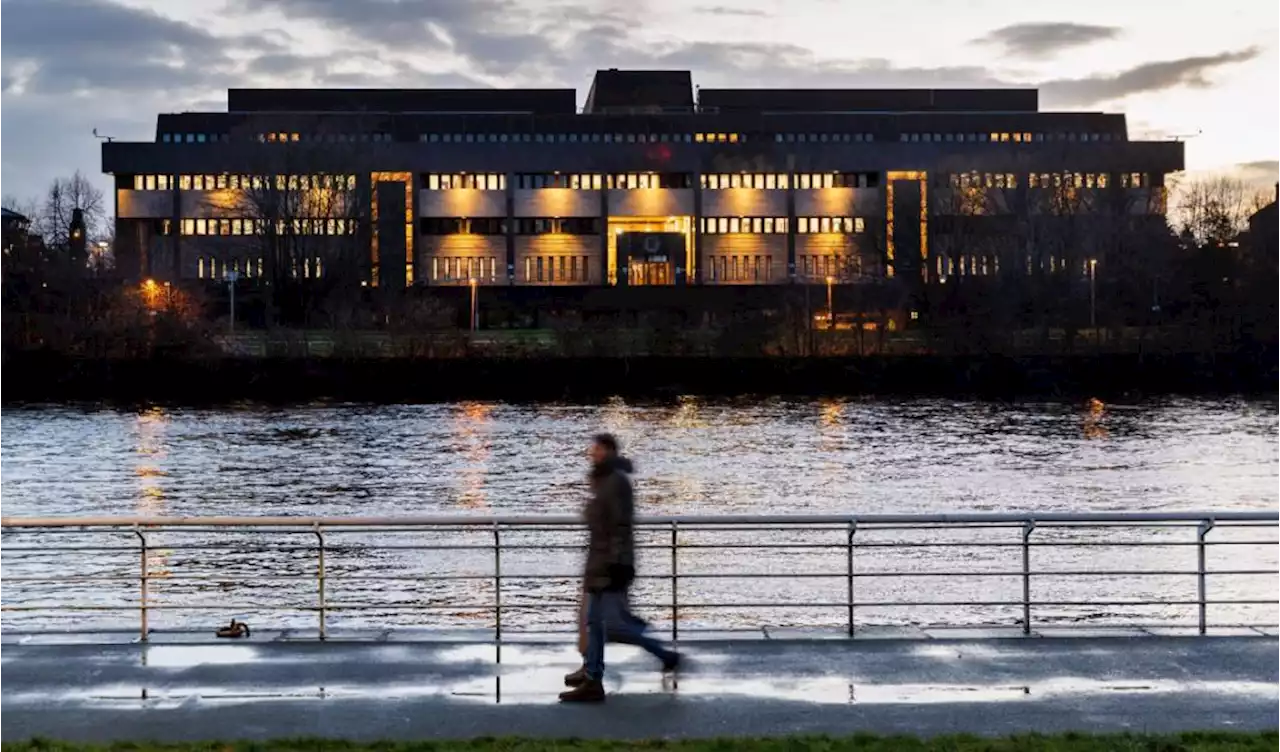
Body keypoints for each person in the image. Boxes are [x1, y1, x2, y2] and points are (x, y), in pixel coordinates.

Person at [559, 433, 680, 703]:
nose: (593, 452)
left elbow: (618, 527)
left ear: (609, 451)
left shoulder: (615, 482)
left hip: (609, 566)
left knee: (611, 625)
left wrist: (611, 564)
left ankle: (664, 656)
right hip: (603, 563)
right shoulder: (605, 480)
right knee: (596, 623)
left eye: (598, 449)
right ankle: (592, 673)